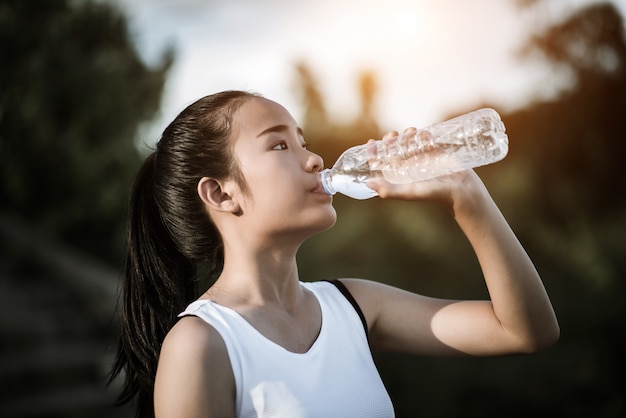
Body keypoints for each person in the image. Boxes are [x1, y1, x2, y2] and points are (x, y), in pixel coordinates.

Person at [109, 90, 559, 418]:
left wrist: (467, 196)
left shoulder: (354, 306)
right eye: (280, 144)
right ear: (221, 193)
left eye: (304, 142)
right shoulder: (201, 345)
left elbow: (524, 331)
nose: (314, 160)